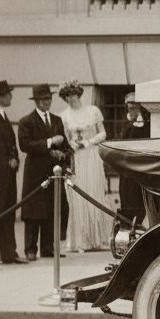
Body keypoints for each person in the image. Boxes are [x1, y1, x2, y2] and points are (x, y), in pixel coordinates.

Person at [58, 80, 112, 252]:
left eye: (73, 94)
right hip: (76, 158)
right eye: (67, 96)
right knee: (77, 196)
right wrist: (72, 145)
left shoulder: (93, 111)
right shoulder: (64, 116)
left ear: (79, 94)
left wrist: (88, 142)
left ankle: (98, 239)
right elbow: (65, 138)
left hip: (92, 156)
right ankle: (80, 240)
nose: (71, 98)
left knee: (94, 191)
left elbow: (103, 133)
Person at [18, 83, 71, 259]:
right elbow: (25, 145)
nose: (45, 103)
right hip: (35, 172)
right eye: (41, 100)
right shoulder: (26, 121)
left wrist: (64, 154)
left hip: (53, 172)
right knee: (33, 211)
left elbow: (65, 145)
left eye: (48, 99)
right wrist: (49, 143)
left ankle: (48, 248)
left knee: (51, 210)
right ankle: (30, 249)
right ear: (35, 101)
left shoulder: (57, 120)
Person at [0, 78, 24, 265]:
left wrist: (15, 159)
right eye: (8, 94)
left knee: (8, 214)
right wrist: (6, 163)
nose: (11, 97)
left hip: (8, 176)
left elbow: (11, 144)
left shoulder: (3, 116)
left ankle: (9, 254)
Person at [116, 91, 151, 226]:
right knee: (127, 197)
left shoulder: (145, 124)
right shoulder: (124, 123)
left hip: (140, 167)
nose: (133, 109)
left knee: (139, 198)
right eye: (130, 106)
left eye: (135, 106)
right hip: (126, 168)